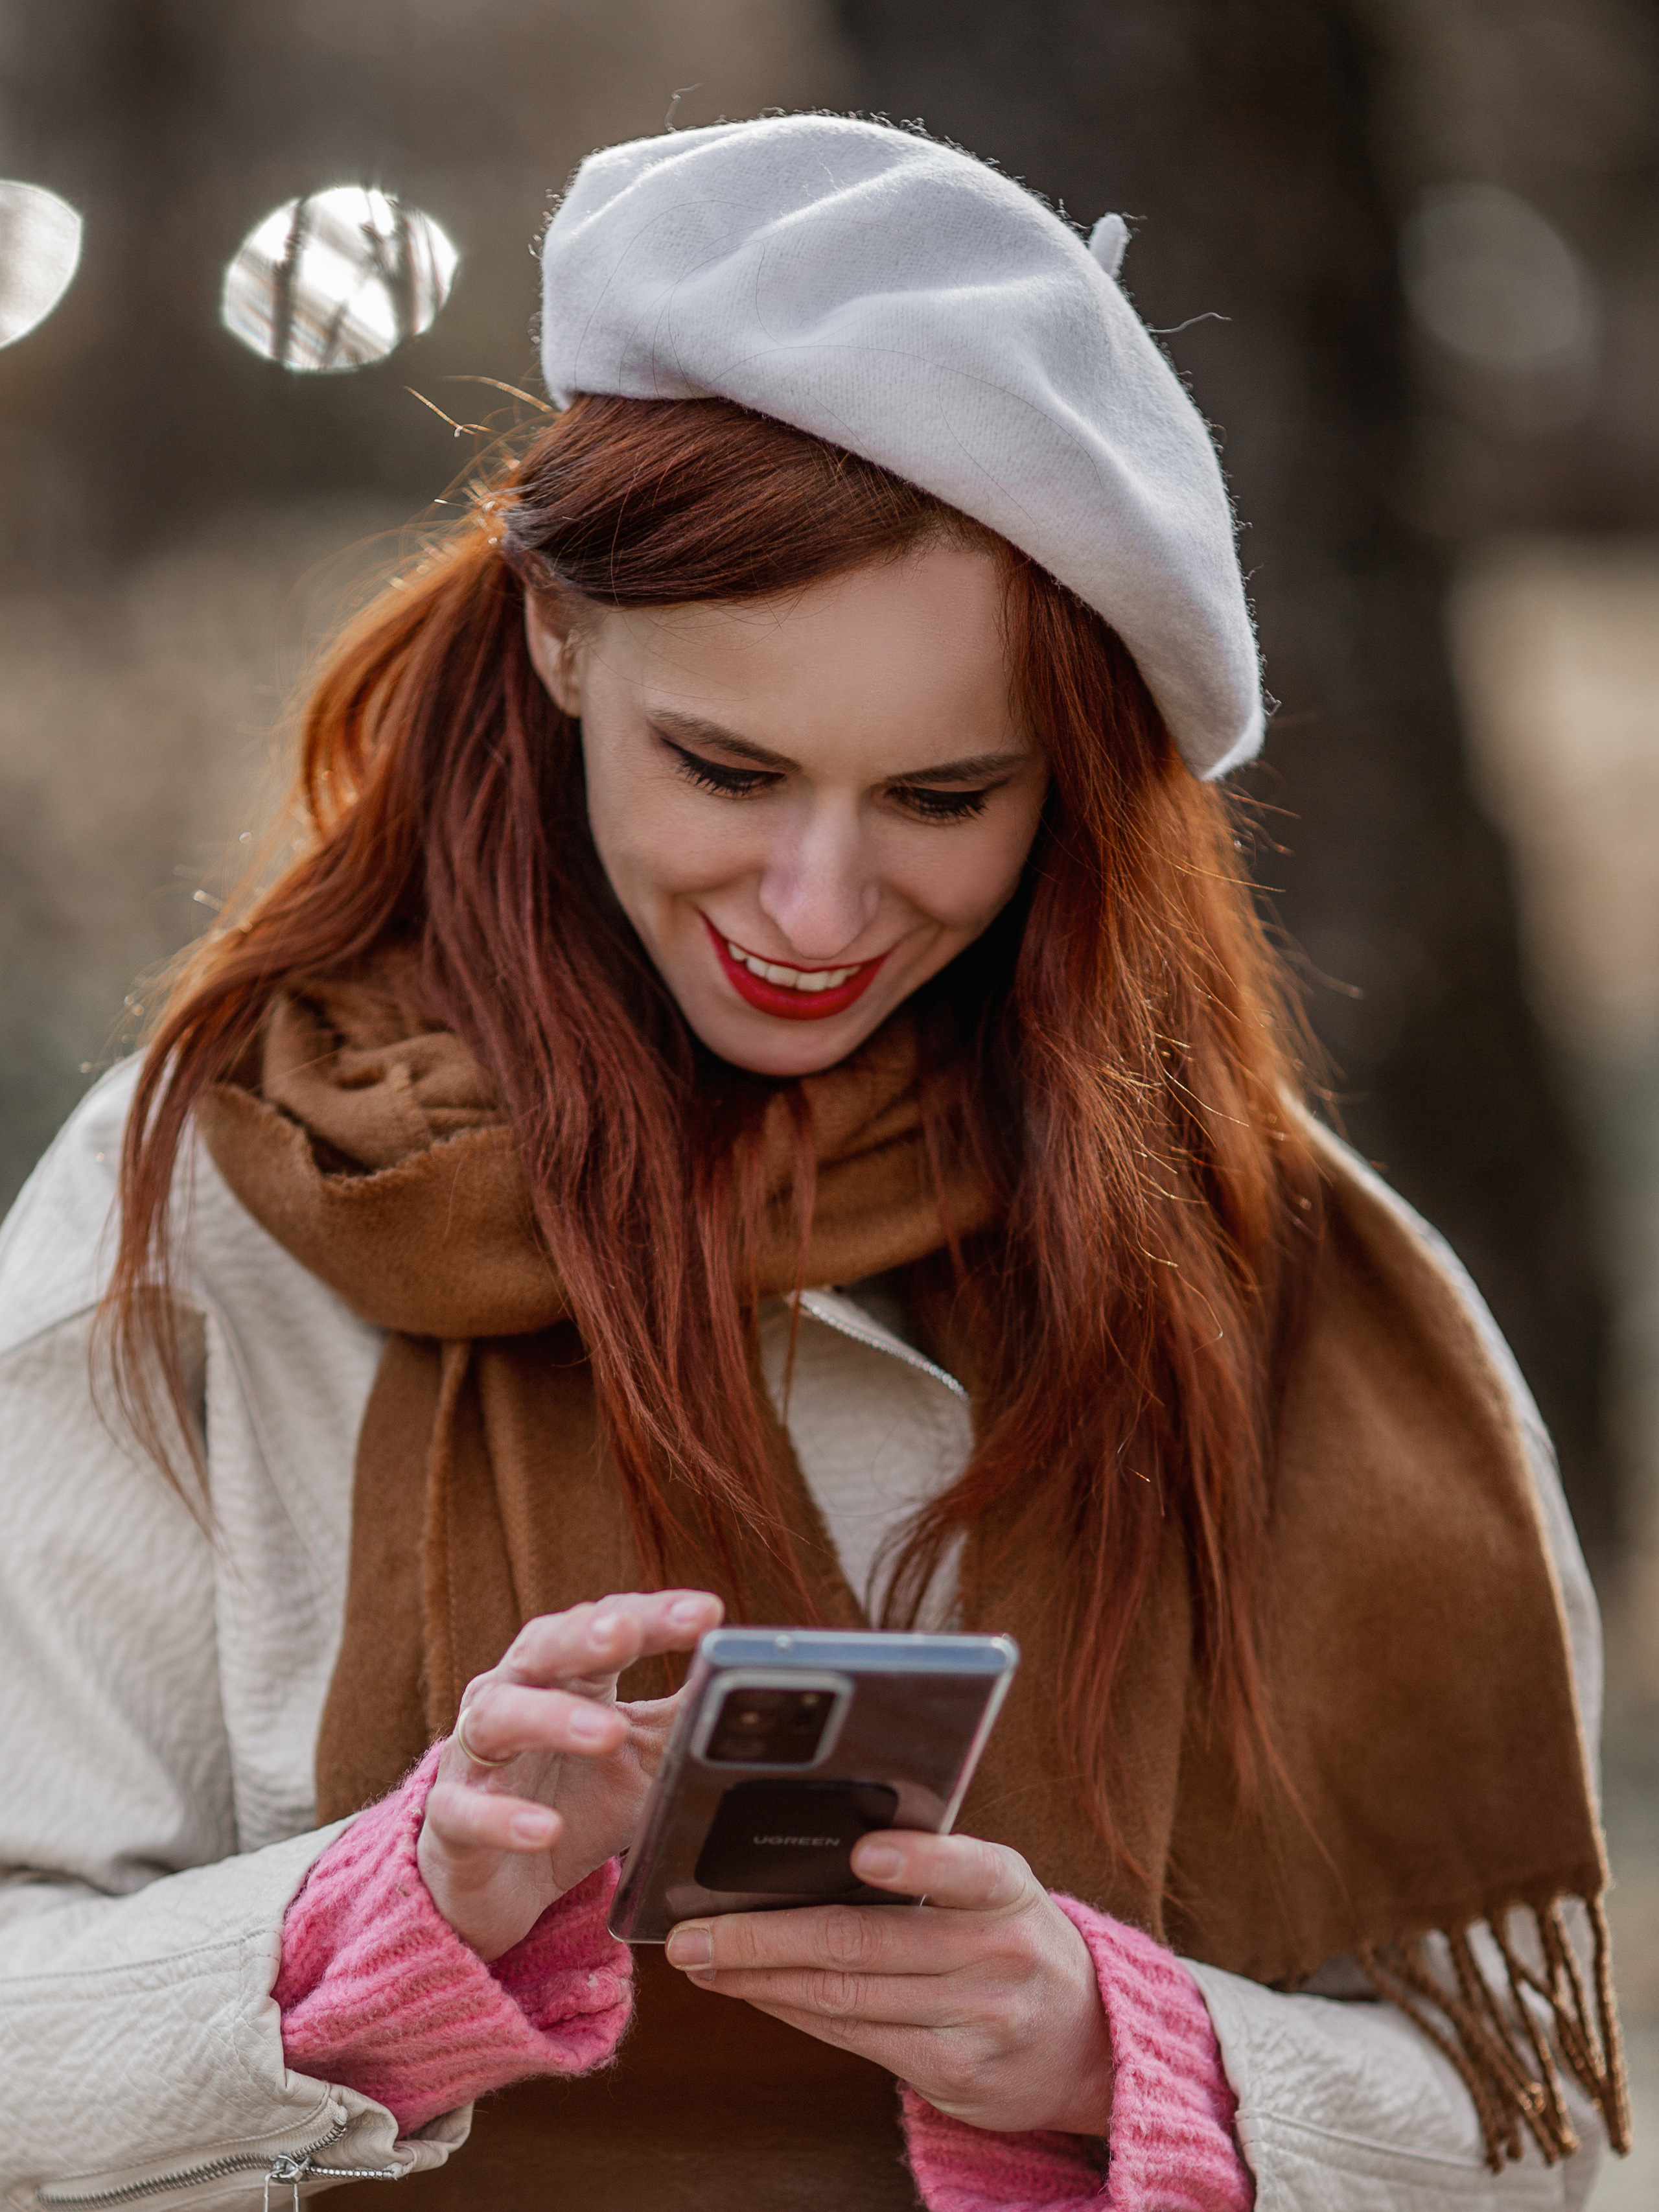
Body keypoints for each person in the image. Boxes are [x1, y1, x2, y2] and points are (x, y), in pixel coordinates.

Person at [0, 115, 1628, 2211]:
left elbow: (1536, 2139)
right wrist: (382, 1922)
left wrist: (1105, 2055)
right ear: (560, 642)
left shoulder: (1274, 1264)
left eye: (945, 795)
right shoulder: (204, 1205)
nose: (818, 903)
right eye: (728, 767)